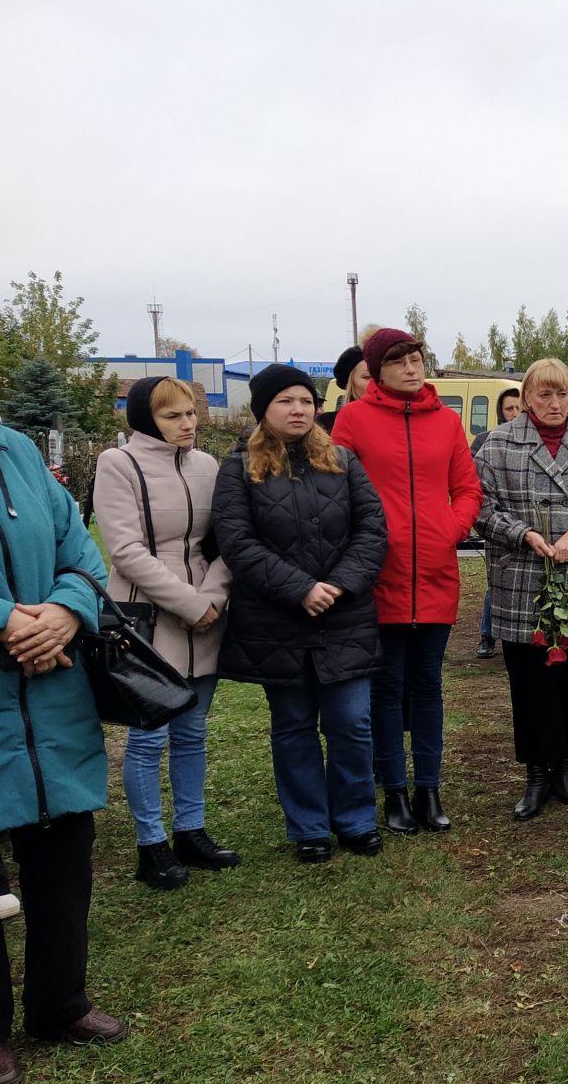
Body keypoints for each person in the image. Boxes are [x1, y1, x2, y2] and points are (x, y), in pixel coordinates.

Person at [0, 304, 125, 1084]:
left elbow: (78, 547)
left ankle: (61, 1001)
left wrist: (64, 610)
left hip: (51, 691)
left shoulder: (16, 452)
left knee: (62, 856)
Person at [215, 366, 388, 862]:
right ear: (263, 411)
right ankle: (309, 826)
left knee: (352, 723)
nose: (298, 410)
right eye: (285, 402)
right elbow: (237, 542)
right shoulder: (239, 468)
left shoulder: (343, 461)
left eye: (305, 402)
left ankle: (355, 818)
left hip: (344, 616)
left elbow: (371, 529)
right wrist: (300, 589)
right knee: (293, 727)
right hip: (277, 621)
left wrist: (338, 584)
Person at [331, 327, 481, 835]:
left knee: (428, 686)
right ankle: (393, 791)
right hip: (379, 576)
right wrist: (367, 543)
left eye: (418, 359)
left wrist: (450, 528)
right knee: (386, 688)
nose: (413, 369)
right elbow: (336, 492)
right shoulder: (353, 420)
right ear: (376, 370)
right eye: (400, 362)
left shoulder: (447, 423)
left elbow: (467, 488)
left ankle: (429, 789)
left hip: (436, 574)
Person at [91, 377, 237, 890]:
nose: (188, 423)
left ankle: (190, 830)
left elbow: (223, 542)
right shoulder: (119, 464)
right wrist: (189, 603)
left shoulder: (207, 466)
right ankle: (150, 843)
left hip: (206, 621)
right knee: (149, 737)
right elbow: (127, 552)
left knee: (193, 734)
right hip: (150, 621)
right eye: (173, 415)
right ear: (145, 419)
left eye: (192, 412)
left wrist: (212, 599)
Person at [475, 362, 568, 818]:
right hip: (522, 579)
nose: (554, 404)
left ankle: (562, 765)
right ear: (527, 396)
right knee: (529, 679)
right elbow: (478, 505)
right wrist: (523, 534)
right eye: (544, 395)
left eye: (562, 395)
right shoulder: (498, 445)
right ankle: (535, 773)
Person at [475, 387, 524, 659]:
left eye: (518, 407)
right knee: (497, 582)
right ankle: (487, 635)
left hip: (527, 525)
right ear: (501, 412)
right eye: (509, 409)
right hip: (498, 526)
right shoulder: (486, 441)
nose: (514, 413)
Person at [314, 345, 370, 431]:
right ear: (350, 383)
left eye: (379, 376)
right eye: (367, 377)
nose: (375, 383)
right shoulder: (325, 425)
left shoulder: (396, 421)